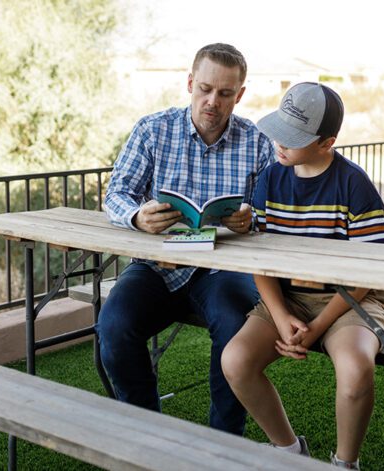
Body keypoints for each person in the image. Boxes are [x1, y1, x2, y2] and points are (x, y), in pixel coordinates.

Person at [99, 43, 274, 435]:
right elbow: (116, 193)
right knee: (114, 325)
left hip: (221, 268)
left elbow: (270, 212)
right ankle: (147, 434)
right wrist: (136, 216)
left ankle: (224, 446)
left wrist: (252, 218)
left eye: (225, 93)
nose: (213, 101)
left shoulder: (257, 142)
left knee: (234, 328)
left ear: (240, 95)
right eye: (205, 89)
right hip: (158, 265)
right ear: (190, 83)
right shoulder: (153, 130)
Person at [221, 82, 384, 469]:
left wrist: (317, 328)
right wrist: (280, 317)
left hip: (349, 299)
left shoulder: (354, 184)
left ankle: (345, 464)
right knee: (236, 360)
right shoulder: (269, 178)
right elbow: (261, 260)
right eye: (278, 129)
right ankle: (290, 451)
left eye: (292, 137)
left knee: (356, 369)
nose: (278, 143)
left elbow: (366, 271)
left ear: (326, 142)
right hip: (285, 296)